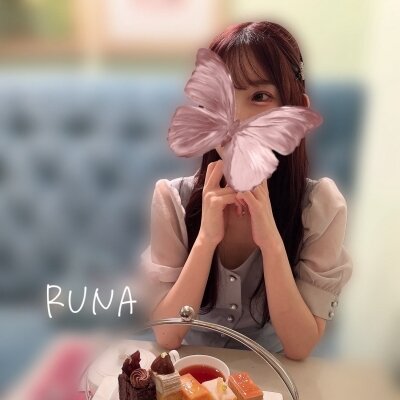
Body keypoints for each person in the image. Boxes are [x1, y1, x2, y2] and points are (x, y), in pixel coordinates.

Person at [134, 21, 353, 361]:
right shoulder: (173, 200)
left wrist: (270, 241)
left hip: (273, 371)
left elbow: (299, 346)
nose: (236, 118)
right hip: (195, 369)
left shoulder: (321, 206)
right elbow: (168, 333)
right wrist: (206, 240)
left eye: (260, 97)